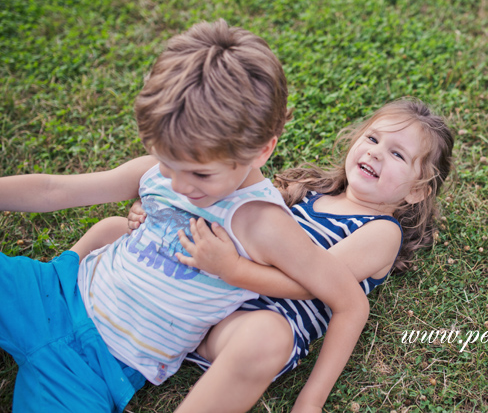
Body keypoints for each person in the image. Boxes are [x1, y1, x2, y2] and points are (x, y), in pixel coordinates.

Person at [0, 19, 369, 413]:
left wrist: (310, 401)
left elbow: (349, 301)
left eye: (199, 174)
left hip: (98, 367)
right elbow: (55, 190)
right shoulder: (157, 173)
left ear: (261, 150)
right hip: (51, 292)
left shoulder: (261, 223)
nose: (176, 184)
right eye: (166, 163)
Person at [115, 98, 455, 413]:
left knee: (263, 334)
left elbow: (311, 285)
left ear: (416, 190)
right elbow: (227, 208)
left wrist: (234, 269)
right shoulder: (305, 192)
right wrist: (157, 209)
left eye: (398, 155)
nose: (377, 153)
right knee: (111, 230)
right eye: (372, 139)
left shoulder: (381, 231)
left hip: (249, 328)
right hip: (205, 297)